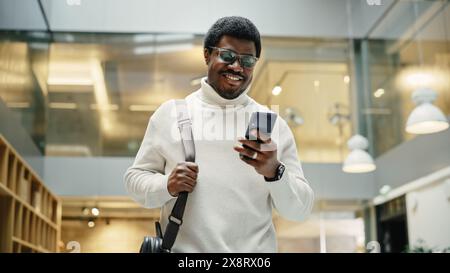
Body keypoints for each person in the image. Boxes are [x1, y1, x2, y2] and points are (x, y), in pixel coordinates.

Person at [124, 16, 314, 253]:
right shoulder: (172, 114)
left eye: (247, 60)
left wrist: (275, 172)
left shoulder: (269, 123)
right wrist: (167, 185)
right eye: (227, 56)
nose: (237, 67)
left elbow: (300, 210)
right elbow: (134, 180)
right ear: (207, 55)